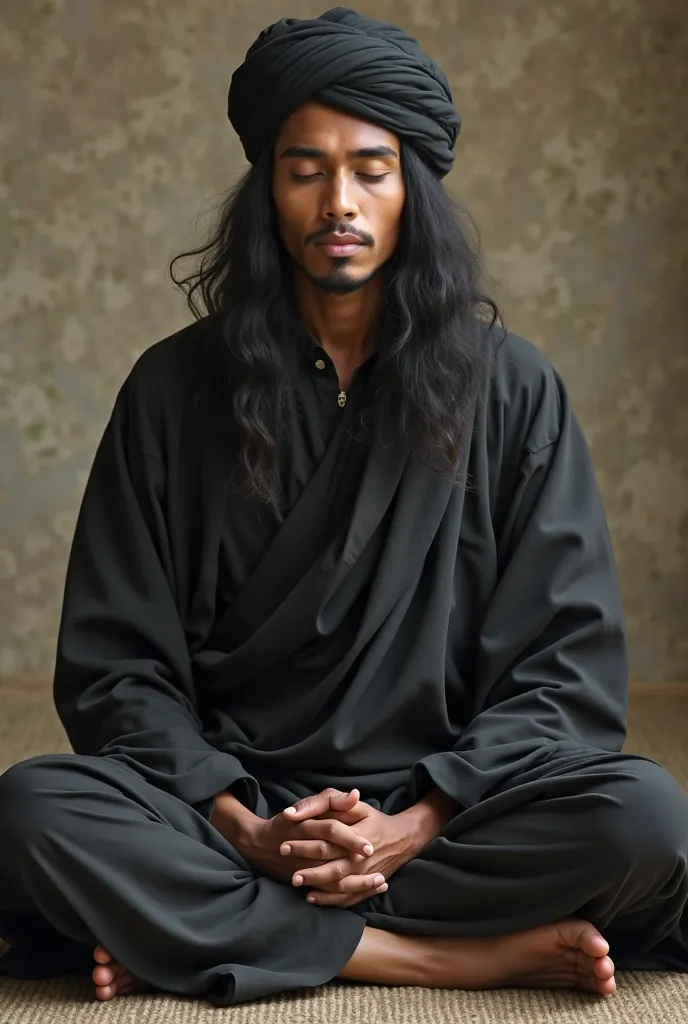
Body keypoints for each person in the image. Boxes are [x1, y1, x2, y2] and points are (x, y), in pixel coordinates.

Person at [0, 6, 686, 1008]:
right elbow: (117, 668)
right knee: (30, 812)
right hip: (225, 806)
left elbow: (564, 670)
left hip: (444, 811)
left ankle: (203, 932)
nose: (339, 201)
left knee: (645, 818)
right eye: (304, 168)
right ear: (266, 193)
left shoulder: (514, 390)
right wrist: (248, 828)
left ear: (412, 189)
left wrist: (411, 822)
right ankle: (431, 957)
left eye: (371, 167)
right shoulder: (169, 390)